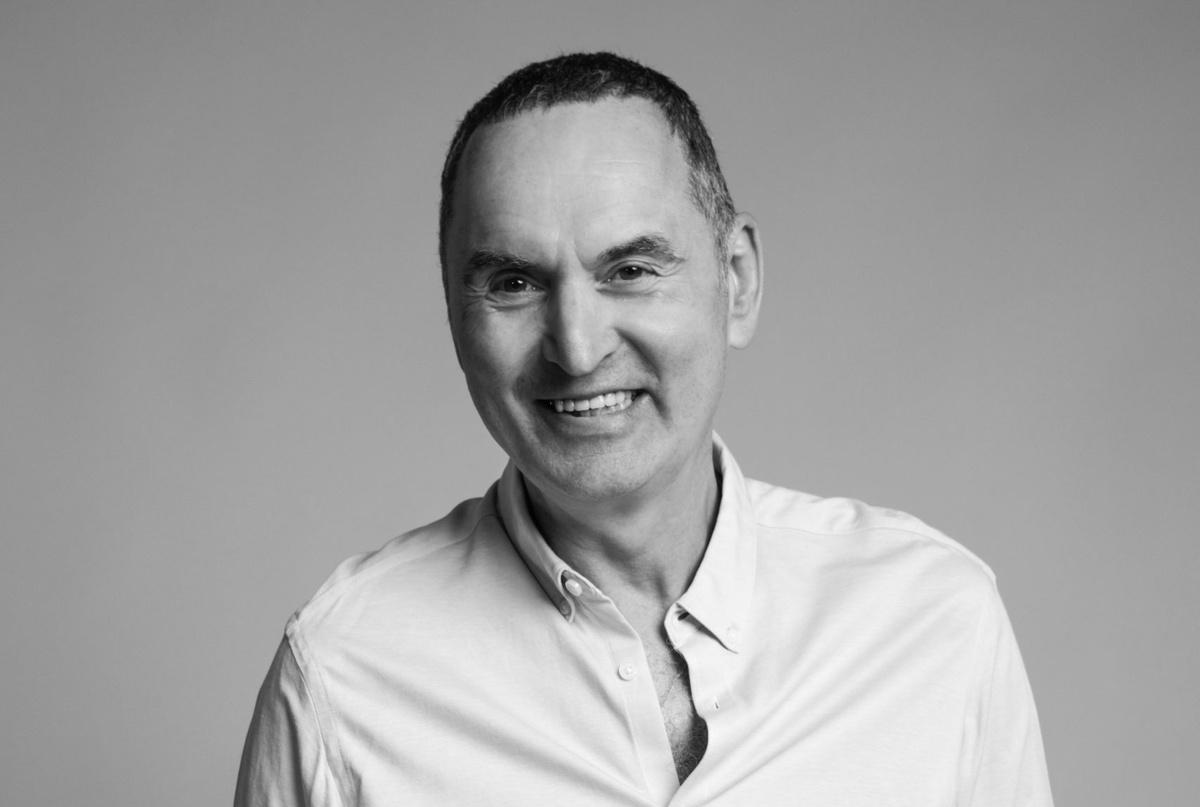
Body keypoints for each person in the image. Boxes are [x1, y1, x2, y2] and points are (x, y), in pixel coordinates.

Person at [235, 52, 1053, 806]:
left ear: (737, 281)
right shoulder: (343, 675)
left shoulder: (933, 622)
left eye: (630, 270)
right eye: (514, 283)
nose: (578, 346)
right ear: (455, 316)